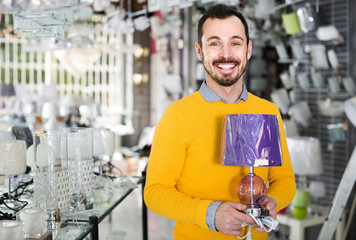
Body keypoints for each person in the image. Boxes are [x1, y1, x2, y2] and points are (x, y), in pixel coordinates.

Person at [144, 4, 296, 240]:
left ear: (248, 50)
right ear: (199, 51)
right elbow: (154, 193)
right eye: (215, 43)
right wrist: (210, 214)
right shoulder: (177, 115)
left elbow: (284, 180)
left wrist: (274, 200)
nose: (226, 54)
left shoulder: (268, 111)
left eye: (235, 43)